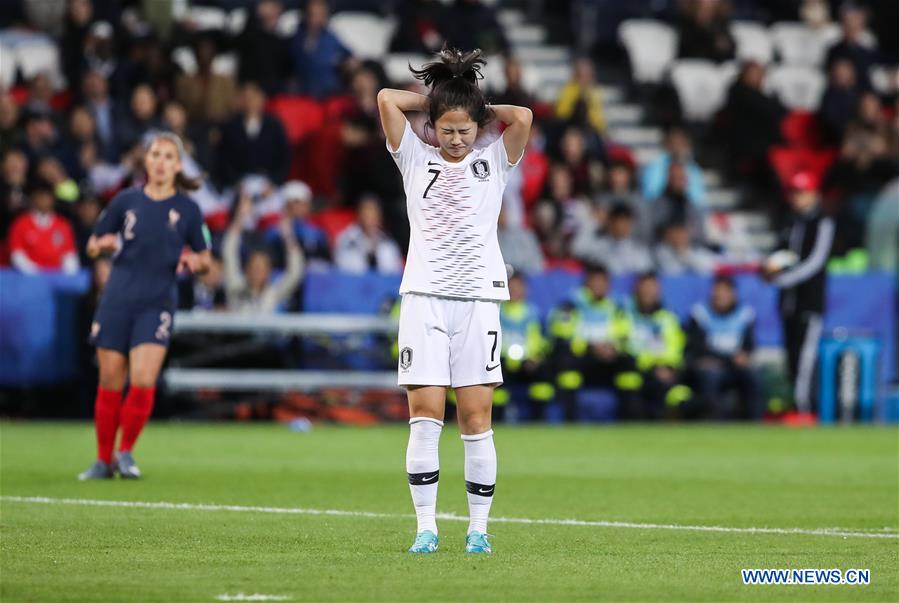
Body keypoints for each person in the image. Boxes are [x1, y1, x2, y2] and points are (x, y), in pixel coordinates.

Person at [378, 47, 532, 555]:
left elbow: (523, 117)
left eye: (466, 129)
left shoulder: (494, 160)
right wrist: (436, 100)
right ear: (432, 128)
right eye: (447, 128)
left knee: (476, 417)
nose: (458, 138)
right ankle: (426, 528)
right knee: (424, 415)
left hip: (478, 300)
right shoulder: (413, 158)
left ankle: (479, 530)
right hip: (423, 298)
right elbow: (385, 98)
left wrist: (472, 105)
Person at [79, 132, 211, 481]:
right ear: (146, 161)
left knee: (142, 378)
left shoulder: (188, 209)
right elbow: (93, 243)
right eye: (156, 154)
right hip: (118, 298)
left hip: (157, 301)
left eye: (169, 156)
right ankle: (102, 459)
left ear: (178, 165)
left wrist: (194, 263)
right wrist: (101, 245)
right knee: (109, 380)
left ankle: (126, 452)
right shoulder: (125, 201)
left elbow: (205, 257)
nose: (161, 161)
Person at [763, 172, 835, 417]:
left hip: (808, 302)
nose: (796, 198)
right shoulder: (789, 222)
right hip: (788, 303)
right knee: (791, 356)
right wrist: (769, 268)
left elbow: (815, 261)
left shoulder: (822, 222)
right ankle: (794, 405)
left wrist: (783, 278)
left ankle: (804, 408)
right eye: (794, 193)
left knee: (805, 359)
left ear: (814, 194)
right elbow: (780, 254)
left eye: (801, 193)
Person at [685, 276, 762, 420]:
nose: (719, 296)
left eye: (724, 292)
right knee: (710, 377)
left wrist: (743, 356)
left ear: (733, 294)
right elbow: (697, 348)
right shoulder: (700, 314)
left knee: (753, 378)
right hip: (711, 368)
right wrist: (728, 359)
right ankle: (713, 421)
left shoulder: (745, 314)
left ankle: (755, 422)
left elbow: (749, 345)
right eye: (716, 292)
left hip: (734, 367)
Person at [223, 195, 304, 313]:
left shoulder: (273, 293)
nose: (257, 272)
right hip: (239, 332)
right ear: (246, 270)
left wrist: (288, 237)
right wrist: (240, 218)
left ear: (268, 273)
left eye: (261, 269)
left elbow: (295, 273)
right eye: (254, 268)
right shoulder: (236, 288)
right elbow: (229, 253)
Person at [8, 180, 80, 274]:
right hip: (29, 278)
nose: (44, 200)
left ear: (53, 200)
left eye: (47, 197)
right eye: (40, 196)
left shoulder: (63, 225)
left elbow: (69, 255)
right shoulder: (21, 224)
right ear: (33, 199)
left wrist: (67, 275)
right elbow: (17, 255)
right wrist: (37, 274)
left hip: (58, 279)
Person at [571, 202, 654, 274]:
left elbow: (647, 272)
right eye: (619, 221)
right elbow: (576, 249)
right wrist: (594, 222)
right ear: (610, 223)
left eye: (626, 222)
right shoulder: (599, 245)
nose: (622, 226)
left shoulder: (639, 250)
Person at [333, 195, 403, 274]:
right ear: (359, 215)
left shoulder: (388, 242)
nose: (370, 218)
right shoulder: (346, 239)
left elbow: (395, 272)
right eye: (366, 213)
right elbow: (343, 268)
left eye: (373, 213)